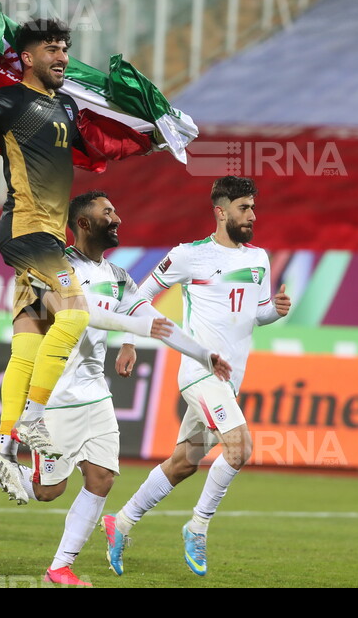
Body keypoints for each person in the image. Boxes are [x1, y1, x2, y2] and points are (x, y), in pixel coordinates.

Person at [0, 191, 232, 586]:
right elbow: (82, 314)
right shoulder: (53, 268)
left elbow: (153, 318)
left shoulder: (119, 277)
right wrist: (135, 326)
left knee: (102, 478)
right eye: (108, 213)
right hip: (54, 399)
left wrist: (204, 354)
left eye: (116, 210)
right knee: (48, 490)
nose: (118, 218)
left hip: (95, 396)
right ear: (83, 223)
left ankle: (59, 567)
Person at [102, 175, 291, 577]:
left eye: (254, 207)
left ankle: (123, 520)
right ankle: (197, 526)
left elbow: (256, 315)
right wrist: (129, 342)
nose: (253, 215)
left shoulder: (258, 259)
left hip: (230, 379)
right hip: (199, 372)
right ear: (221, 212)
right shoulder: (188, 256)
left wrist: (276, 309)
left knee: (185, 462)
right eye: (244, 208)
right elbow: (138, 295)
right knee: (239, 449)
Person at [0, 18, 96, 472]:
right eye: (52, 49)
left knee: (28, 345)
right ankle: (33, 421)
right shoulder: (9, 100)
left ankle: (1, 451)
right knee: (76, 310)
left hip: (47, 236)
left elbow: (94, 147)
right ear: (28, 57)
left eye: (64, 49)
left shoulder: (68, 106)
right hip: (26, 230)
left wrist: (150, 132)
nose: (62, 57)